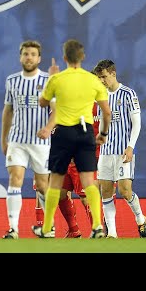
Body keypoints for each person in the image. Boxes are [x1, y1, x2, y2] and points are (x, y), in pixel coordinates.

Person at [33, 39, 111, 239]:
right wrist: (102, 134)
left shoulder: (57, 79)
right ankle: (87, 228)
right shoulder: (93, 81)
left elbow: (44, 103)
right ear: (83, 57)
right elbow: (107, 113)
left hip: (65, 134)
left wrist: (50, 78)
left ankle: (49, 226)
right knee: (80, 186)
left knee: (56, 183)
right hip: (85, 136)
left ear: (65, 58)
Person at [0, 40, 55, 239]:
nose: (29, 57)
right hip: (17, 140)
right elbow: (8, 110)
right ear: (20, 56)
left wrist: (49, 127)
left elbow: (57, 110)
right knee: (15, 179)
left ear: (39, 58)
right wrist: (4, 139)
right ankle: (13, 229)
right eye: (25, 54)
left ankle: (49, 226)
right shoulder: (12, 81)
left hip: (40, 142)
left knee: (42, 185)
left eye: (33, 54)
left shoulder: (49, 80)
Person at [93, 59, 146, 238]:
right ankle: (113, 234)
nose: (101, 81)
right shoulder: (101, 97)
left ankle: (141, 219)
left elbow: (137, 123)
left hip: (123, 151)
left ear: (113, 74)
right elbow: (103, 122)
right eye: (99, 78)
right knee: (106, 192)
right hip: (106, 152)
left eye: (104, 77)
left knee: (125, 191)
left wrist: (131, 146)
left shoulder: (128, 94)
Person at [57, 101, 100, 238]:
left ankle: (98, 231)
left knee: (86, 197)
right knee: (60, 193)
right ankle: (73, 230)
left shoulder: (97, 105)